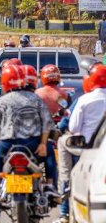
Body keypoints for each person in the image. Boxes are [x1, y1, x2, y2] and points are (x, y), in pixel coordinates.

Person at [0, 65, 56, 223]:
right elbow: (47, 123)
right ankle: (50, 186)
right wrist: (43, 143)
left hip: (8, 145)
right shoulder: (36, 99)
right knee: (50, 154)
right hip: (33, 144)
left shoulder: (1, 100)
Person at [55, 65, 106, 223]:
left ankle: (64, 212)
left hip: (85, 148)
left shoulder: (84, 99)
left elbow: (73, 127)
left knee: (62, 143)